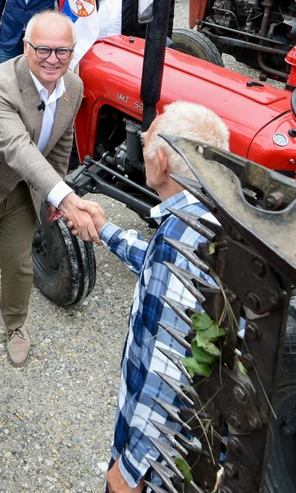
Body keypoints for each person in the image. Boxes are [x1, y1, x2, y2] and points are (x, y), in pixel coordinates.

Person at [85, 102, 230, 493]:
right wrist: (107, 230)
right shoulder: (214, 214)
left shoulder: (180, 240)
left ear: (161, 161)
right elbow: (158, 263)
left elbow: (166, 369)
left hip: (160, 457)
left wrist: (131, 469)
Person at [0, 12, 101, 367]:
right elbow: (18, 148)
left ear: (73, 50)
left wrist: (55, 191)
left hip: (22, 192)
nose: (53, 59)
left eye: (62, 51)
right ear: (25, 46)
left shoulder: (74, 87)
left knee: (19, 265)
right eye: (43, 49)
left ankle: (15, 325)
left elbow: (62, 142)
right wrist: (67, 200)